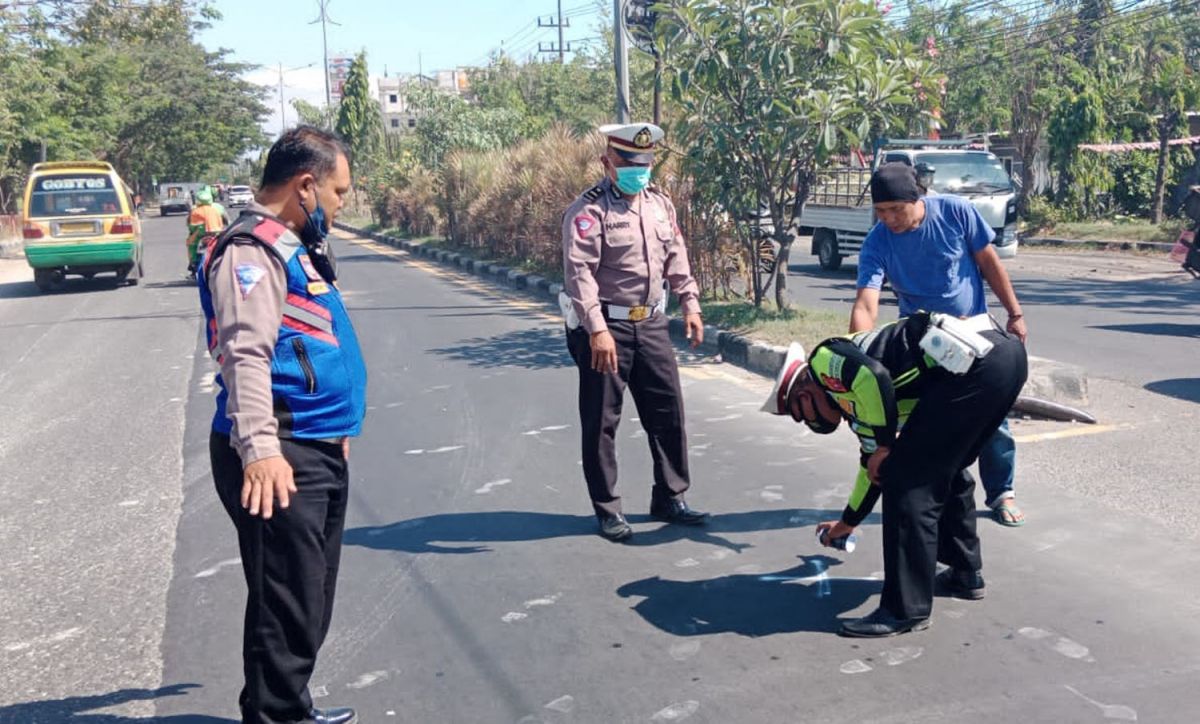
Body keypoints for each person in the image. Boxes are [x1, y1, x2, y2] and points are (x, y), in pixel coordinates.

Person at [197, 125, 364, 724]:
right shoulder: (251, 252)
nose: (343, 205)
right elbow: (245, 354)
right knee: (288, 598)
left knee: (304, 594)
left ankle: (281, 705)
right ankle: (277, 716)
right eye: (340, 192)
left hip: (311, 447)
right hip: (279, 454)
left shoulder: (288, 243)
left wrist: (335, 428)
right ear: (306, 185)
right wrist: (261, 450)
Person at [762, 311, 1028, 636]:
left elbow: (874, 376)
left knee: (907, 482)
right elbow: (871, 468)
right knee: (945, 470)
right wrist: (846, 524)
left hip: (980, 364)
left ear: (802, 394)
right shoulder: (858, 405)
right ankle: (964, 573)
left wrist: (886, 446)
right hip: (1003, 361)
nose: (806, 422)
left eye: (798, 414)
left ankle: (905, 610)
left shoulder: (824, 359)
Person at [849, 162, 1029, 527]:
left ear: (917, 199)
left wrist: (1014, 312)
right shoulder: (877, 241)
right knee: (926, 418)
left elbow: (989, 263)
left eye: (896, 210)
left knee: (993, 421)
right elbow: (866, 302)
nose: (889, 219)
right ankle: (937, 492)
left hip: (974, 334)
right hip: (923, 345)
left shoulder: (956, 212)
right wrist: (856, 353)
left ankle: (1002, 492)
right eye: (881, 212)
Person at [560, 122, 708, 541]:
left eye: (644, 163)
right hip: (608, 327)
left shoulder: (660, 204)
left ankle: (671, 496)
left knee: (667, 412)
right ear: (608, 163)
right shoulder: (589, 212)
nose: (637, 171)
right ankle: (607, 508)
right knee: (602, 420)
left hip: (653, 323)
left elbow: (676, 256)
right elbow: (580, 275)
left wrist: (690, 302)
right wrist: (597, 330)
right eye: (628, 162)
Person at [186, 185, 230, 278]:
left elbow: (190, 224)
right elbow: (227, 221)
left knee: (190, 244)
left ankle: (193, 264)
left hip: (200, 233)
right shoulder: (218, 207)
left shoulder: (195, 209)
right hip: (217, 232)